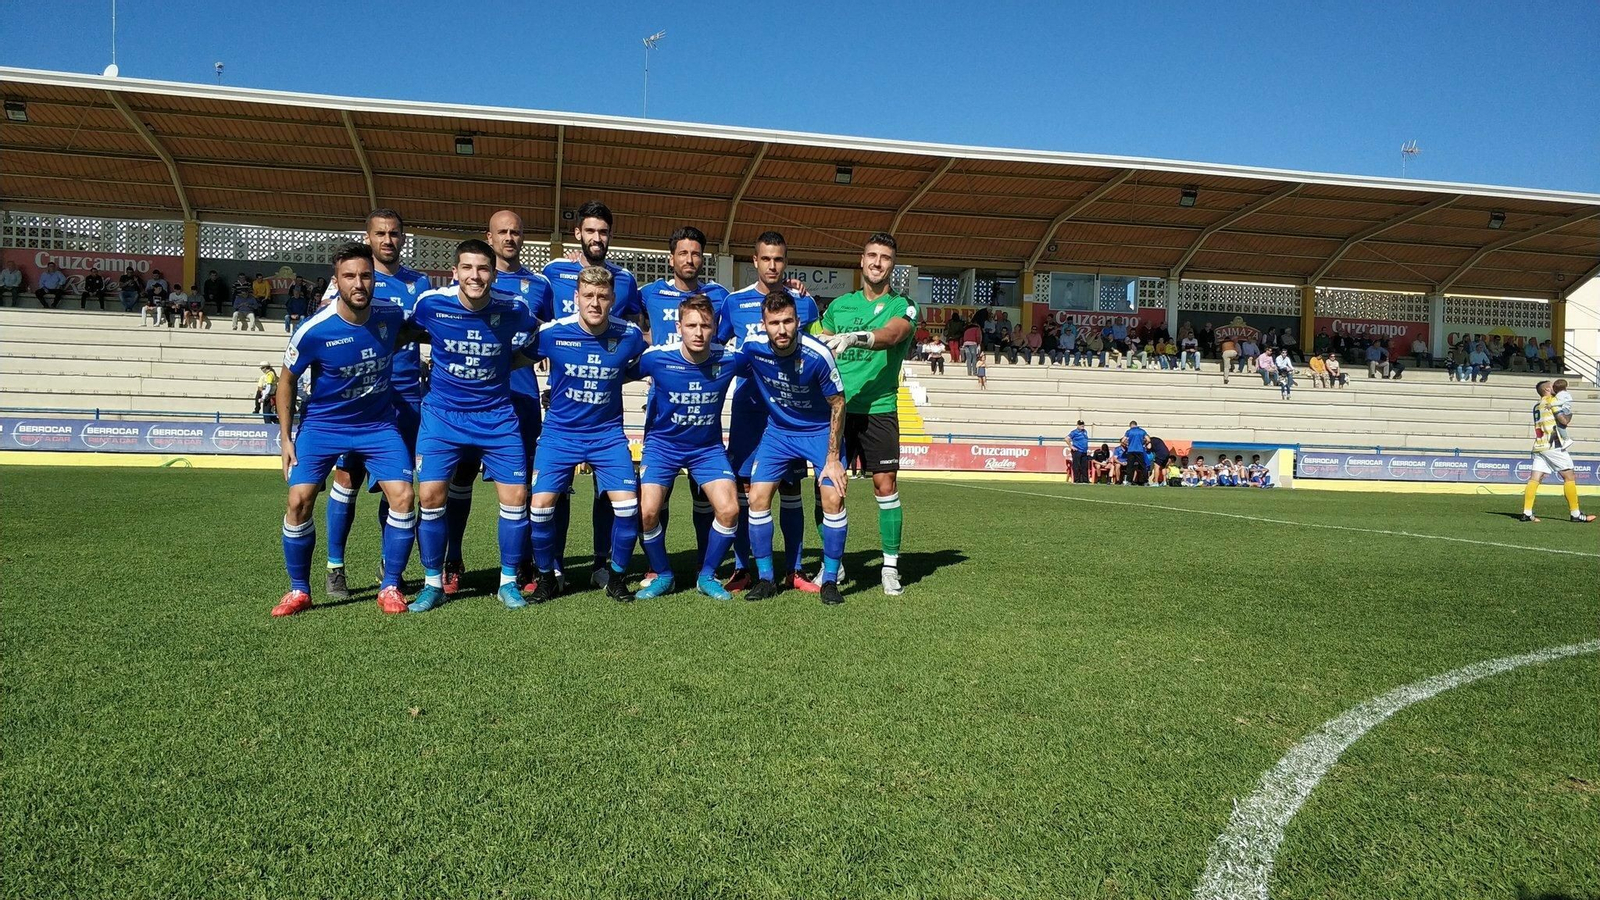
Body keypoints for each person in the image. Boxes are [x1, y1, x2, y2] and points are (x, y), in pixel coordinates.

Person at [269, 242, 416, 618]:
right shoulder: (314, 330)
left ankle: (391, 586)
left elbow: (422, 333)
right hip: (324, 426)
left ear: (374, 279)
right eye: (350, 276)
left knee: (402, 496)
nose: (359, 283)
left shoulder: (390, 316)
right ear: (336, 281)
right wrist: (285, 439)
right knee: (298, 500)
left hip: (378, 426)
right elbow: (285, 383)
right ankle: (299, 590)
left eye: (366, 275)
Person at [403, 240, 543, 613]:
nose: (475, 276)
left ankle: (508, 583)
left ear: (494, 274)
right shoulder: (432, 304)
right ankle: (433, 583)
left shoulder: (514, 307)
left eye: (483, 269)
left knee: (516, 499)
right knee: (431, 496)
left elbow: (537, 339)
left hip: (497, 416)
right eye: (467, 268)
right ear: (455, 272)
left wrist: (508, 364)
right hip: (443, 416)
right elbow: (407, 333)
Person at [321, 209, 434, 601]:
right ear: (368, 238)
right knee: (346, 480)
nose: (388, 240)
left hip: (404, 400)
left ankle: (391, 568)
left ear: (404, 238)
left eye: (395, 234)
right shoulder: (350, 281)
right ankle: (335, 567)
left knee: (398, 488)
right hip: (356, 403)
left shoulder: (419, 283)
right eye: (380, 234)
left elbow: (428, 328)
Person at [525, 265, 647, 603]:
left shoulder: (629, 335)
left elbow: (638, 365)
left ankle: (617, 578)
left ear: (613, 299)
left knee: (627, 508)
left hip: (607, 435)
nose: (595, 303)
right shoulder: (552, 333)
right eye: (589, 296)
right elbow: (516, 357)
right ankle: (547, 576)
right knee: (540, 506)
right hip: (560, 433)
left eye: (603, 296)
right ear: (576, 298)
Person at [719, 231, 821, 593]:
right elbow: (718, 350)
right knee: (748, 492)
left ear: (785, 261)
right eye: (766, 259)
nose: (772, 265)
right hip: (749, 411)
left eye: (779, 259)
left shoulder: (804, 305)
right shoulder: (734, 303)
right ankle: (745, 568)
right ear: (755, 261)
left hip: (791, 415)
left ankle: (794, 570)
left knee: (791, 490)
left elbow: (815, 354)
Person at [818, 233, 918, 596]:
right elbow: (818, 344)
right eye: (872, 255)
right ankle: (835, 565)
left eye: (886, 257)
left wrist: (856, 338)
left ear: (893, 265)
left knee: (885, 487)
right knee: (829, 489)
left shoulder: (903, 305)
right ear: (861, 261)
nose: (878, 262)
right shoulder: (838, 306)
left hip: (879, 409)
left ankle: (890, 567)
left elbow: (893, 335)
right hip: (838, 409)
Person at [627, 295, 742, 600]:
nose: (698, 332)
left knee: (729, 510)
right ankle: (664, 574)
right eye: (691, 325)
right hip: (662, 446)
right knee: (647, 511)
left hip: (707, 449)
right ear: (679, 327)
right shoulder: (656, 358)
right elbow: (615, 373)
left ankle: (706, 575)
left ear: (715, 326)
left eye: (705, 325)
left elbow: (768, 364)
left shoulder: (729, 358)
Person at [739, 290, 849, 605]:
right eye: (774, 322)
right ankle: (765, 579)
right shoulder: (753, 350)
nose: (782, 329)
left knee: (832, 497)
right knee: (757, 498)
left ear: (798, 321)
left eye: (788, 321)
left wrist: (832, 458)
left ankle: (830, 580)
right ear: (764, 324)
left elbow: (838, 402)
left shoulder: (817, 355)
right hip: (779, 432)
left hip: (818, 431)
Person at [637, 225, 730, 583]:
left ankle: (705, 566)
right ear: (671, 257)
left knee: (706, 499)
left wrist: (791, 288)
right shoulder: (648, 293)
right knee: (657, 500)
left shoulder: (720, 296)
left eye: (696, 254)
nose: (690, 259)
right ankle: (655, 565)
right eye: (683, 253)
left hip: (703, 404)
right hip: (662, 408)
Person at [482, 209, 555, 592]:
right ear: (489, 237)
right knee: (454, 482)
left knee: (523, 486)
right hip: (469, 399)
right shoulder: (474, 281)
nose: (509, 237)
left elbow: (552, 335)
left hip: (522, 395)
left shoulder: (539, 285)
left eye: (516, 232)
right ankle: (451, 563)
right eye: (502, 232)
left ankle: (526, 563)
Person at [1520, 380, 1595, 523]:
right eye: (1552, 386)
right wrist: (1569, 412)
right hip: (1553, 444)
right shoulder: (1552, 401)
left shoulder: (1536, 406)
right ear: (1548, 389)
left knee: (1535, 478)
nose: (1555, 387)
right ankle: (1575, 514)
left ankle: (1527, 512)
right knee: (1569, 476)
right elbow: (1564, 421)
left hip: (1539, 445)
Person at [1122, 421, 1150, 485]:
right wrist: (1144, 443)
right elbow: (1148, 440)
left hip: (1131, 450)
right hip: (1140, 450)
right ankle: (1145, 481)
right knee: (1143, 466)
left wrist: (1127, 445)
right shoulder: (1142, 431)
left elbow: (1123, 440)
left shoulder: (1129, 431)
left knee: (1130, 466)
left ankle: (1129, 481)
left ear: (1131, 425)